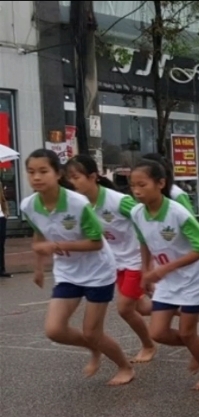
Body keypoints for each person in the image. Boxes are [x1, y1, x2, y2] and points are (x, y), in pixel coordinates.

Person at [20, 148, 135, 387]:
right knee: (54, 330)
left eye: (43, 171)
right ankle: (94, 349)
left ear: (57, 173)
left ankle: (125, 366)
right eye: (31, 172)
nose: (36, 177)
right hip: (68, 272)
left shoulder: (77, 203)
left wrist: (57, 245)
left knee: (93, 331)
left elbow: (96, 242)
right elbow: (40, 233)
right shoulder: (28, 205)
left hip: (98, 271)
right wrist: (39, 268)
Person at [131, 159, 199, 390]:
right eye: (133, 186)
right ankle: (198, 346)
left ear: (160, 183)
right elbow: (143, 241)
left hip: (192, 279)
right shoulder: (137, 213)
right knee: (158, 332)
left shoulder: (178, 213)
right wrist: (146, 269)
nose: (137, 191)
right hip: (167, 280)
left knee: (187, 331)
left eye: (142, 185)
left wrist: (164, 268)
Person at [65, 154, 157, 364]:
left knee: (125, 309)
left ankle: (149, 345)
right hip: (114, 263)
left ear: (93, 176)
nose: (72, 182)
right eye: (68, 178)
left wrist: (148, 265)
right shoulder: (79, 205)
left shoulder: (119, 202)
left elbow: (146, 223)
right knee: (141, 308)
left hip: (134, 260)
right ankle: (181, 306)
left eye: (76, 177)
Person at [142, 152, 199, 343]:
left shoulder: (176, 198)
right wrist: (147, 267)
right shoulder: (142, 207)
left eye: (143, 181)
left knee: (197, 298)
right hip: (167, 259)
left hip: (188, 259)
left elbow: (190, 226)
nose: (138, 188)